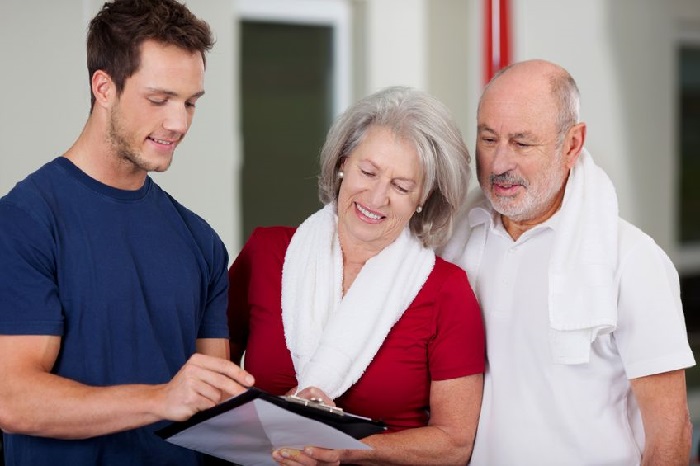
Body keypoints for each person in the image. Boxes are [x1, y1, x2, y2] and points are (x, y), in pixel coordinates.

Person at [0, 1, 254, 465]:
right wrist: (159, 400)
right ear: (104, 87)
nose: (179, 123)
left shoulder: (201, 242)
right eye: (159, 100)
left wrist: (298, 419)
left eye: (191, 102)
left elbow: (213, 408)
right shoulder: (25, 220)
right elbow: (12, 399)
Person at [440, 58, 696, 465]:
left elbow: (671, 435)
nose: (500, 163)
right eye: (488, 139)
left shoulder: (631, 259)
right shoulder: (454, 240)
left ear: (572, 144)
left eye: (522, 143)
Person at [227, 86, 486, 465]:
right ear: (343, 163)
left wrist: (343, 448)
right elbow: (211, 382)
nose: (376, 197)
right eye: (368, 172)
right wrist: (274, 423)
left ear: (422, 200)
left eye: (401, 186)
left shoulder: (447, 291)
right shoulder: (265, 253)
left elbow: (455, 443)